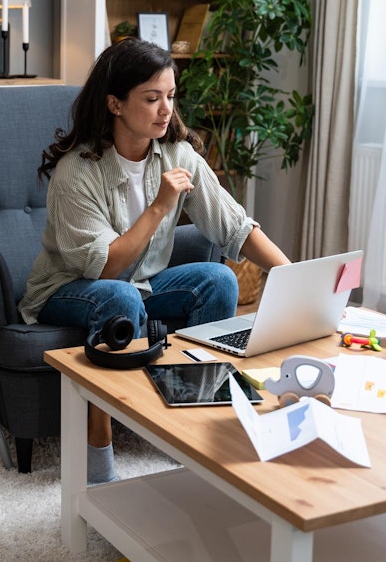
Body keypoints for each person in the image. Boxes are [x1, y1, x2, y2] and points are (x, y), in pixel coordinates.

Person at [18, 38, 291, 483]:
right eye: (151, 98)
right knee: (119, 297)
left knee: (219, 280)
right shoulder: (77, 171)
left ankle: (194, 421)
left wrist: (293, 276)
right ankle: (98, 453)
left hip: (141, 286)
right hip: (67, 290)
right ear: (115, 104)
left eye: (170, 96)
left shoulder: (177, 154)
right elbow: (102, 267)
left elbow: (235, 226)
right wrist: (160, 207)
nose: (166, 109)